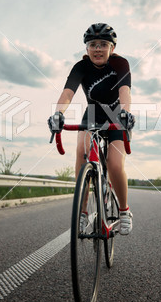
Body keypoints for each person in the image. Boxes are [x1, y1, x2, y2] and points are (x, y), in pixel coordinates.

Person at [48, 23, 135, 235]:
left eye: (103, 44)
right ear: (86, 48)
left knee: (115, 164)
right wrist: (58, 114)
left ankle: (124, 211)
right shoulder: (80, 67)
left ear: (111, 48)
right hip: (93, 114)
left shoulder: (120, 63)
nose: (98, 49)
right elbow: (68, 93)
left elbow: (125, 91)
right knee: (82, 150)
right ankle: (83, 212)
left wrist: (125, 112)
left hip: (116, 114)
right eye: (93, 44)